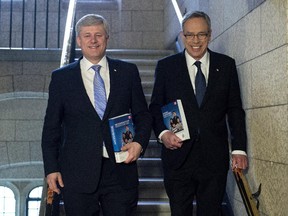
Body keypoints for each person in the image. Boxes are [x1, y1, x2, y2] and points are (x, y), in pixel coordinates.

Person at [41, 14, 152, 216]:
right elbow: (51, 128)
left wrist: (139, 143)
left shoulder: (127, 72)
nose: (93, 40)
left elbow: (143, 115)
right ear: (79, 40)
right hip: (76, 174)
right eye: (87, 35)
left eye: (98, 35)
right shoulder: (61, 78)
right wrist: (51, 168)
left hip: (120, 171)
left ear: (107, 38)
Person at [149, 11, 248, 216]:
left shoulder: (226, 65)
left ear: (210, 35)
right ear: (182, 36)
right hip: (177, 160)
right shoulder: (166, 67)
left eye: (201, 34)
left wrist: (239, 148)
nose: (195, 40)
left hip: (214, 161)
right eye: (190, 35)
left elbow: (235, 109)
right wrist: (163, 134)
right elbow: (155, 107)